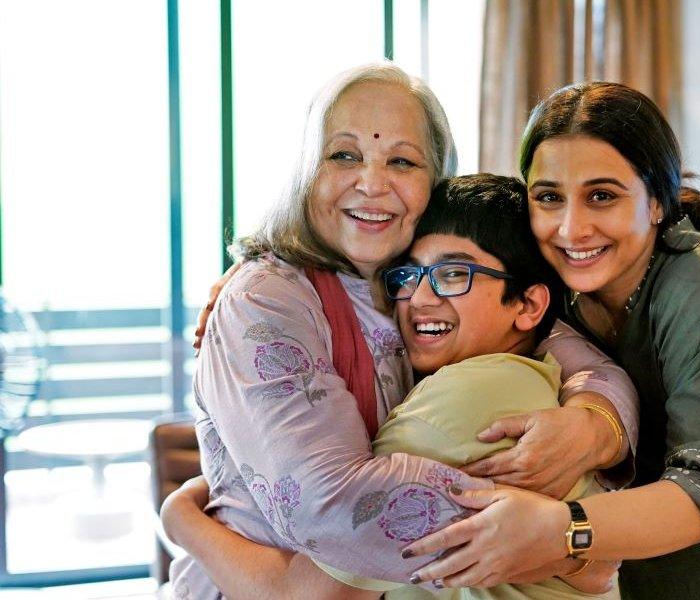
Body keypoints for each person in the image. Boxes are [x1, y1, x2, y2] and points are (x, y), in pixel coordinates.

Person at [166, 65, 639, 600]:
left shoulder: (407, 284)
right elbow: (331, 507)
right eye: (343, 155)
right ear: (307, 170)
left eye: (401, 161)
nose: (372, 183)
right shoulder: (269, 298)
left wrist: (595, 426)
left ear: (434, 183)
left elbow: (574, 353)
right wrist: (573, 542)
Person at [399, 82, 700, 599]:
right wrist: (593, 417)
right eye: (549, 198)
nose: (571, 227)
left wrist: (562, 528)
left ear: (655, 202)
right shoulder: (559, 286)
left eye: (601, 196)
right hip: (654, 578)